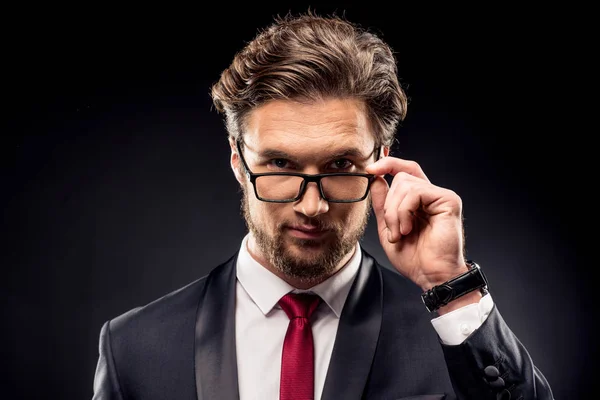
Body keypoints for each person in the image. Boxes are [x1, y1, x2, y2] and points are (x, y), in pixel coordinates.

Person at [91, 10, 555, 400]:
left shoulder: (452, 335)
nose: (312, 207)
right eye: (279, 164)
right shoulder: (134, 347)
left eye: (340, 165)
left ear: (382, 161)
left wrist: (452, 288)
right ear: (238, 162)